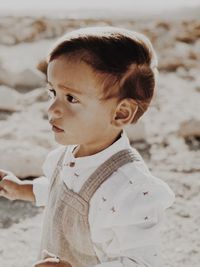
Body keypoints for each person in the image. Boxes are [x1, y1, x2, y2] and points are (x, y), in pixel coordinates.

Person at [0, 26, 175, 267]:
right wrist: (23, 189)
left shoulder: (130, 189)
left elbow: (140, 262)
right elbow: (62, 192)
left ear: (121, 113)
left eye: (71, 98)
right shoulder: (65, 156)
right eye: (52, 92)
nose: (52, 109)